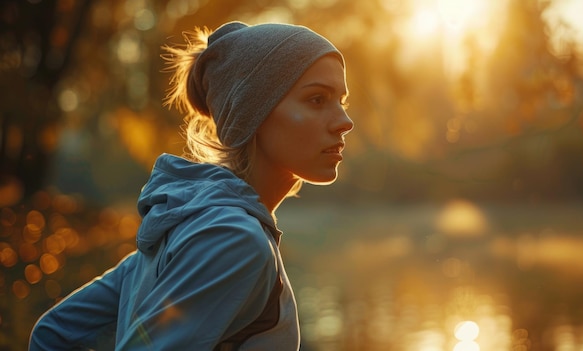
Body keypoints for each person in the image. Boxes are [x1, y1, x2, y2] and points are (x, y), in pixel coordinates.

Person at [29, 21, 353, 350]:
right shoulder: (235, 239)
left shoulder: (188, 223)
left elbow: (53, 334)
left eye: (342, 101)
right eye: (316, 99)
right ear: (252, 113)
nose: (345, 121)